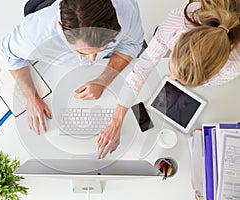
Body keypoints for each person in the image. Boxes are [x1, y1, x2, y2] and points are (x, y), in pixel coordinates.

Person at [97, 0, 240, 159]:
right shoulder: (178, 23)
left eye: (183, 81)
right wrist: (116, 122)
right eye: (173, 70)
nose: (170, 78)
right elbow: (143, 66)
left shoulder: (233, 66)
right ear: (178, 42)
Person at [1, 0, 144, 134]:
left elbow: (132, 44)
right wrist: (31, 97)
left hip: (113, 67)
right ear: (61, 28)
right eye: (82, 52)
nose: (92, 59)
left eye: (101, 49)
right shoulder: (33, 37)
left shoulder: (125, 9)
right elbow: (10, 56)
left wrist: (103, 80)